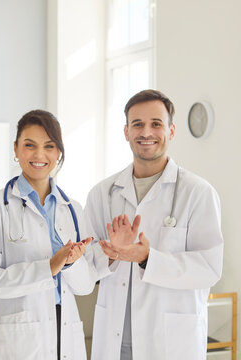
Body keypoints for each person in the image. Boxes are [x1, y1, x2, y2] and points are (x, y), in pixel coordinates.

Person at [85, 90, 224, 360]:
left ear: (171, 131)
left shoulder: (198, 192)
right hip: (115, 337)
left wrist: (148, 258)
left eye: (156, 124)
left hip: (169, 342)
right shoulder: (103, 193)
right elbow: (87, 266)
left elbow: (208, 268)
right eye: (137, 124)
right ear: (126, 132)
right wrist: (112, 254)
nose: (146, 132)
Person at [0, 110, 96, 360]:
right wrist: (47, 268)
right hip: (17, 338)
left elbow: (85, 287)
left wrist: (71, 263)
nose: (39, 155)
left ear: (58, 152)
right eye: (30, 145)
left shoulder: (73, 209)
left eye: (49, 146)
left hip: (65, 332)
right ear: (16, 149)